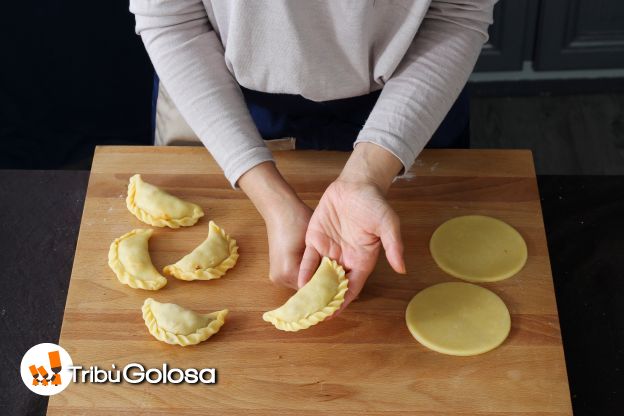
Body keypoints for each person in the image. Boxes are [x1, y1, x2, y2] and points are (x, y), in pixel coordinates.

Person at [130, 0, 495, 315]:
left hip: (414, 96)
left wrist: (367, 175)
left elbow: (455, 13)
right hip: (223, 94)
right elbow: (173, 19)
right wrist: (273, 201)